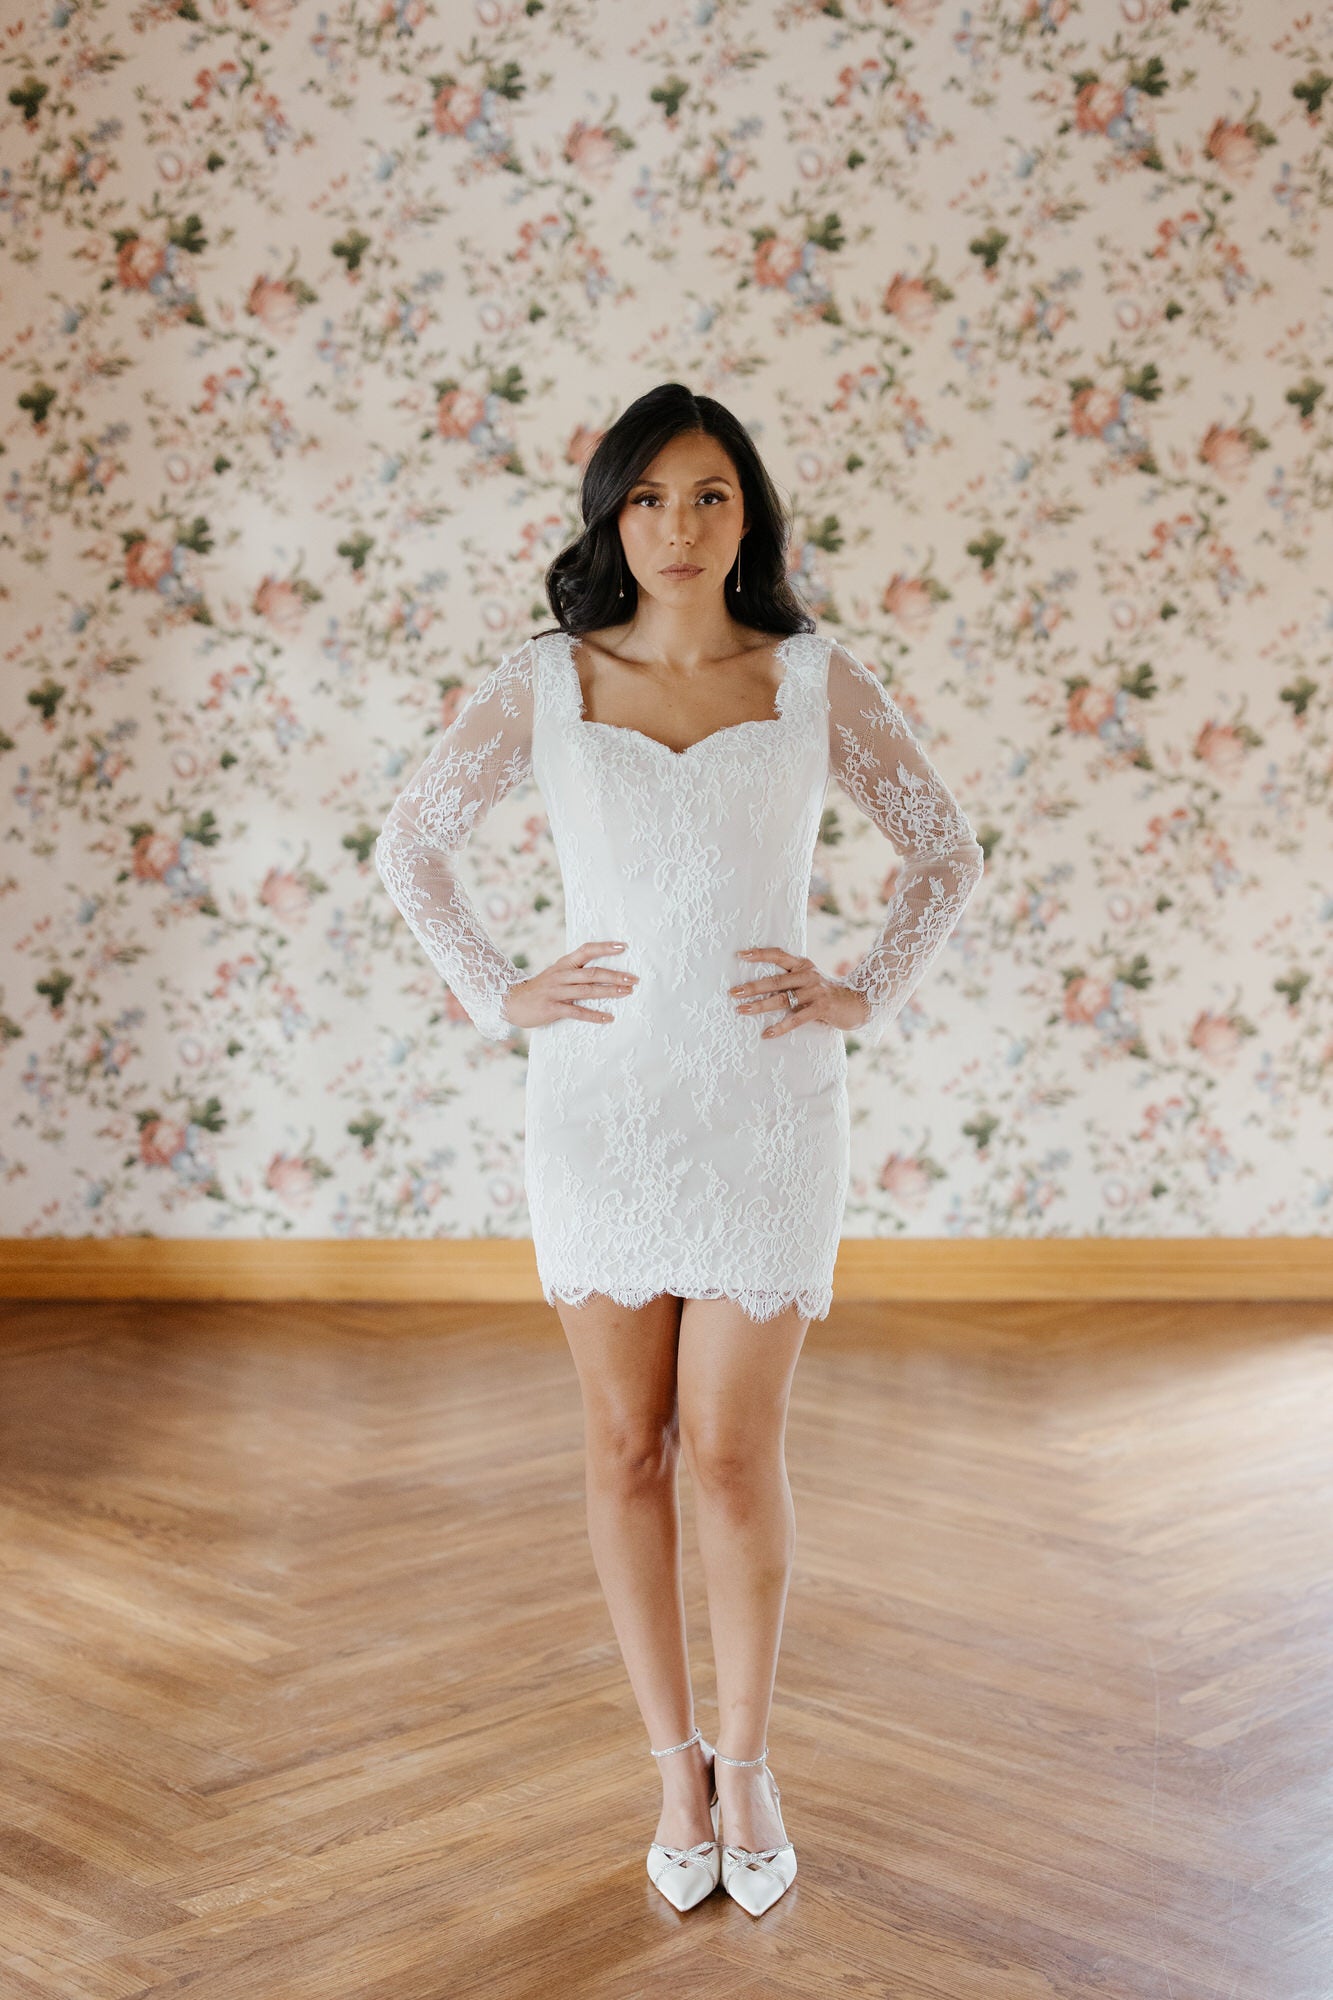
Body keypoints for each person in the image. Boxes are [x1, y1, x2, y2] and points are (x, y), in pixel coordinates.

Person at [374, 381, 985, 1916]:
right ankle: (672, 1769)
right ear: (611, 515)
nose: (678, 526)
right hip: (597, 1109)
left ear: (748, 514)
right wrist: (497, 988)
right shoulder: (544, 678)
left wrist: (860, 989)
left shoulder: (810, 677)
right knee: (622, 1445)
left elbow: (942, 847)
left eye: (709, 496)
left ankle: (755, 1760)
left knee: (726, 1449)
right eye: (648, 498)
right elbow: (410, 842)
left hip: (766, 1105)